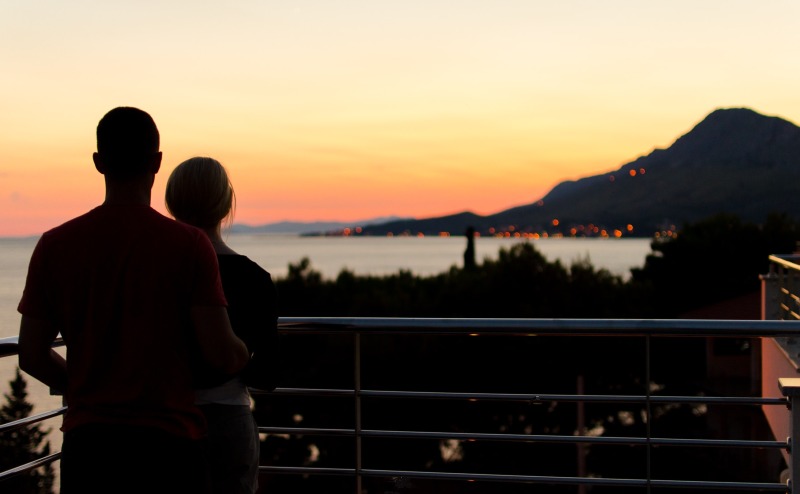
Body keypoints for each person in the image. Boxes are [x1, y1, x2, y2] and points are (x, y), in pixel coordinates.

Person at [17, 107, 249, 493]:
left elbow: (31, 354)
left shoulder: (55, 245)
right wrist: (247, 352)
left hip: (90, 446)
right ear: (157, 162)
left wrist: (83, 388)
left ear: (98, 162)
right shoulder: (188, 245)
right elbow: (222, 354)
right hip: (168, 445)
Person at [165, 156, 279, 494]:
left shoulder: (157, 273)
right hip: (229, 421)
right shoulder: (255, 279)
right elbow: (267, 375)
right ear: (226, 205)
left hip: (164, 423)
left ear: (172, 204)